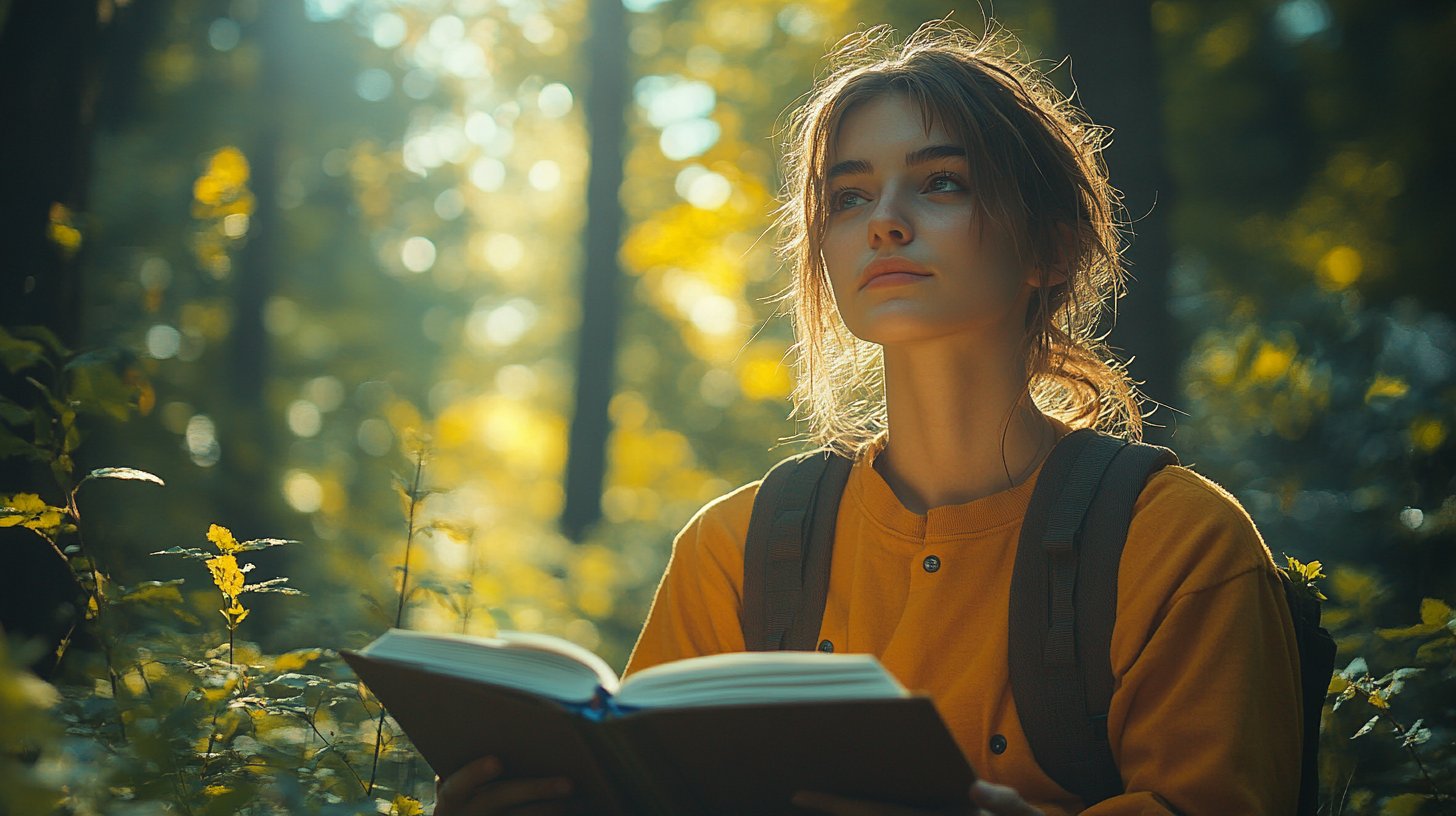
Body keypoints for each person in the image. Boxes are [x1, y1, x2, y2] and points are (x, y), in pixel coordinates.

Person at [435, 19, 1303, 816]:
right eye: (849, 198)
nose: (885, 223)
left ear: (1053, 246)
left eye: (940, 184)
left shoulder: (1180, 544)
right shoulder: (732, 554)